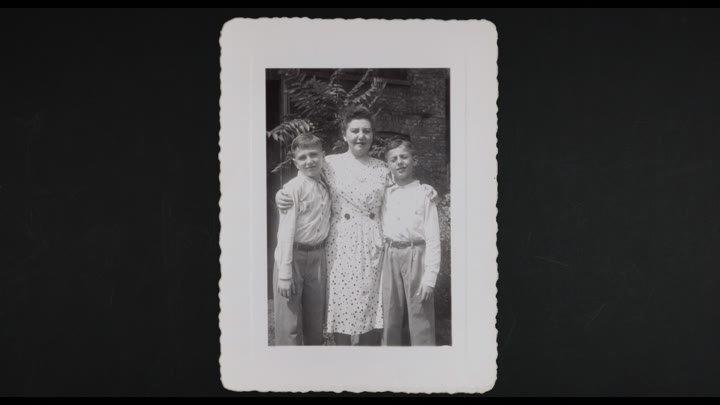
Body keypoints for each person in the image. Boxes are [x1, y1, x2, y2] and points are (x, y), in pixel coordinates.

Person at [276, 106, 437, 346]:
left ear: (372, 135)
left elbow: (403, 189)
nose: (361, 136)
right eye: (355, 131)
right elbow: (306, 178)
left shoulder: (383, 169)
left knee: (370, 301)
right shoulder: (329, 163)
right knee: (342, 300)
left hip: (373, 242)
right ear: (345, 135)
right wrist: (282, 193)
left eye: (366, 131)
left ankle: (368, 354)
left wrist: (426, 189)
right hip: (340, 241)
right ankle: (344, 354)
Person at [272, 133, 331, 345]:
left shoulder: (326, 183)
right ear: (295, 162)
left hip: (317, 256)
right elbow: (285, 232)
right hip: (293, 257)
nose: (309, 161)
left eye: (314, 155)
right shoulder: (292, 189)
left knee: (315, 320)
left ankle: (312, 361)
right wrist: (285, 273)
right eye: (303, 157)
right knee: (290, 323)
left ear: (323, 156)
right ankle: (288, 362)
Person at [380, 138, 440, 346]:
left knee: (420, 314)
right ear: (388, 165)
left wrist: (430, 277)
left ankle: (424, 359)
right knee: (389, 314)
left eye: (404, 157)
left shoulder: (425, 194)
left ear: (415, 160)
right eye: (393, 159)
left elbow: (433, 238)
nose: (399, 162)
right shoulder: (385, 193)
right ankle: (389, 358)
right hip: (390, 255)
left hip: (417, 255)